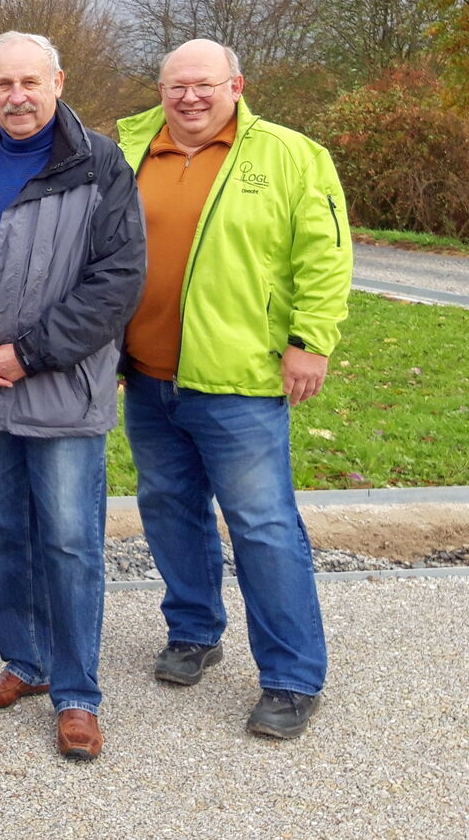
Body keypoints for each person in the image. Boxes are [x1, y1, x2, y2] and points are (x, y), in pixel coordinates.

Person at [116, 39, 352, 740]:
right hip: (148, 376)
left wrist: (311, 341)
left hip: (240, 380)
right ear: (159, 89)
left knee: (263, 527)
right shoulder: (127, 149)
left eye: (204, 85)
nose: (189, 97)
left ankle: (291, 676)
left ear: (236, 84)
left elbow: (326, 254)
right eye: (175, 86)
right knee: (169, 511)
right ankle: (193, 632)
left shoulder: (289, 155)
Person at [0, 31, 144, 761]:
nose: (16, 96)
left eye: (29, 82)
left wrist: (32, 353)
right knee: (3, 533)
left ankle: (78, 693)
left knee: (72, 542)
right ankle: (26, 662)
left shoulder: (97, 162)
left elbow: (116, 278)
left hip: (61, 385)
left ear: (58, 80)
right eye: (3, 84)